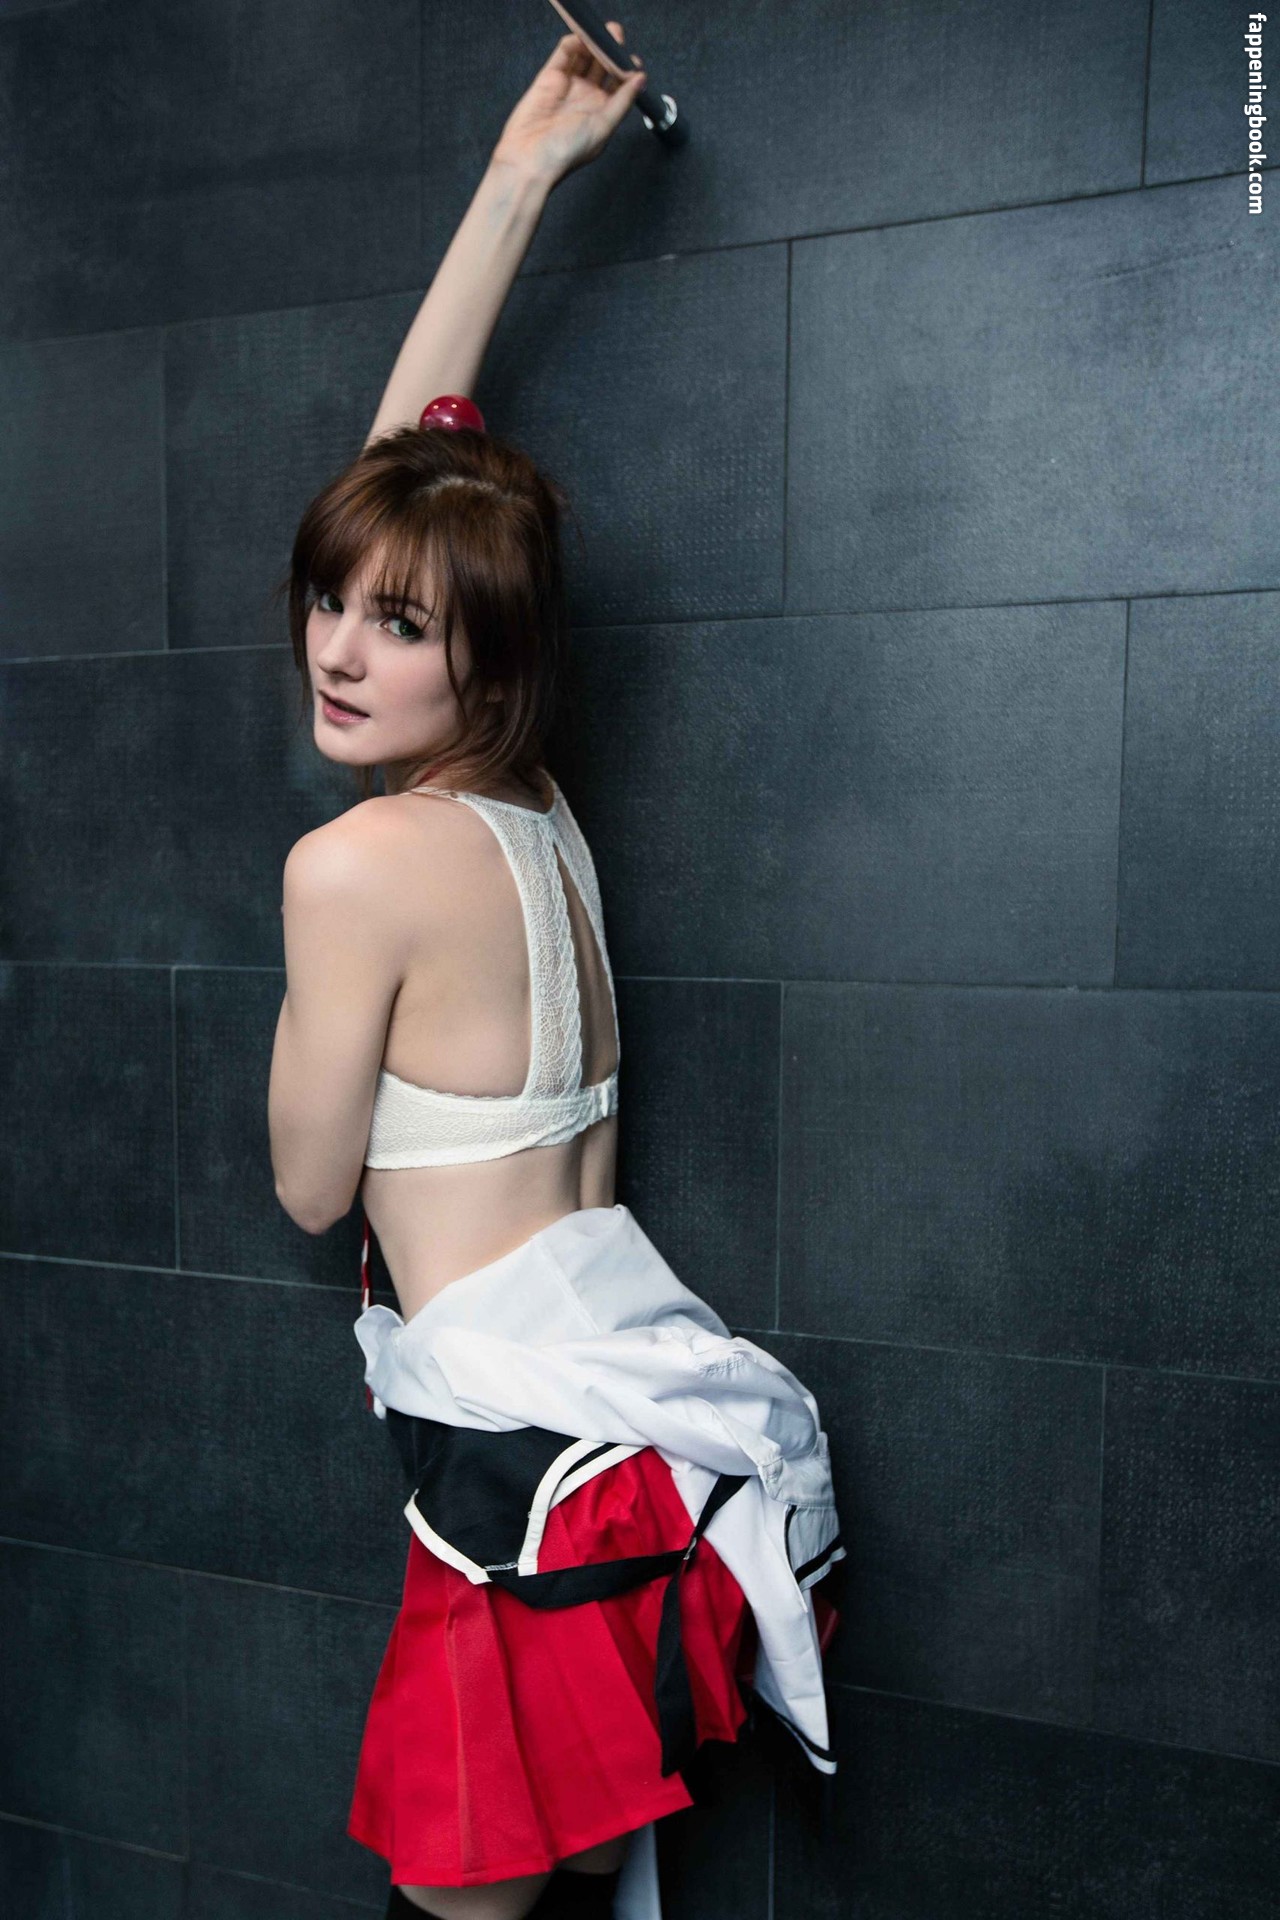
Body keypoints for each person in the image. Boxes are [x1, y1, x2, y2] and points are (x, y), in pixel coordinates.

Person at [267, 23, 842, 1920]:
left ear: (482, 658)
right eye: (329, 601)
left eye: (394, 626)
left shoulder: (355, 867)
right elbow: (409, 486)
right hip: (637, 1460)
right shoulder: (537, 818)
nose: (338, 650)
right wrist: (521, 176)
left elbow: (309, 1188)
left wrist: (314, 989)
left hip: (526, 1497)